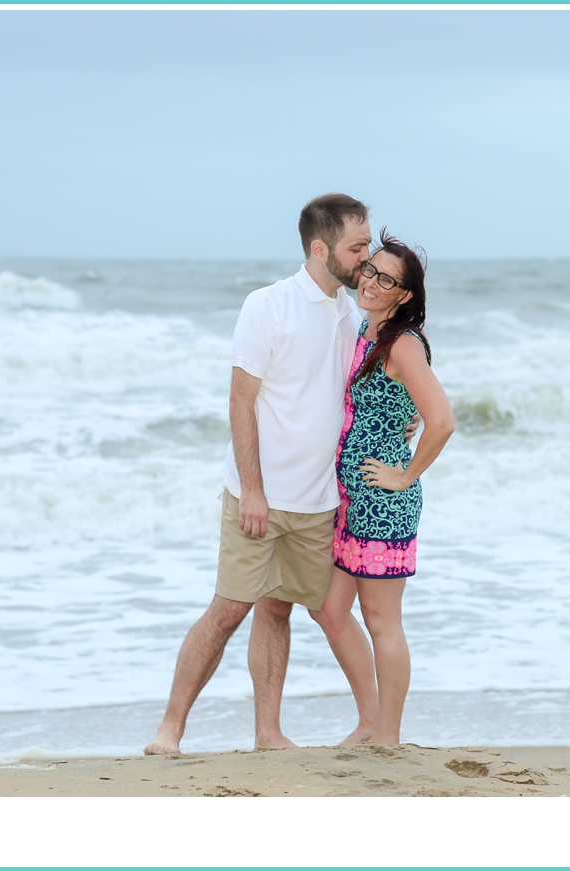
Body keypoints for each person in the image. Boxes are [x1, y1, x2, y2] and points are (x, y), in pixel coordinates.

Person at [144, 193, 375, 755]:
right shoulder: (267, 306)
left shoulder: (353, 314)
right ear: (321, 249)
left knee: (292, 608)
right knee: (229, 608)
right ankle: (169, 730)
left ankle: (277, 733)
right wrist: (252, 489)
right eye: (357, 247)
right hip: (260, 498)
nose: (366, 258)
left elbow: (362, 393)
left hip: (320, 500)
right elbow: (240, 401)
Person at [308, 229, 455, 746]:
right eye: (370, 269)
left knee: (380, 618)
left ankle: (386, 737)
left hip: (383, 500)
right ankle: (370, 721)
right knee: (327, 608)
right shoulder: (365, 333)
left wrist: (405, 474)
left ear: (405, 294)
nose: (370, 281)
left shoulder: (403, 344)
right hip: (350, 500)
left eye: (385, 278)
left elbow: (441, 420)